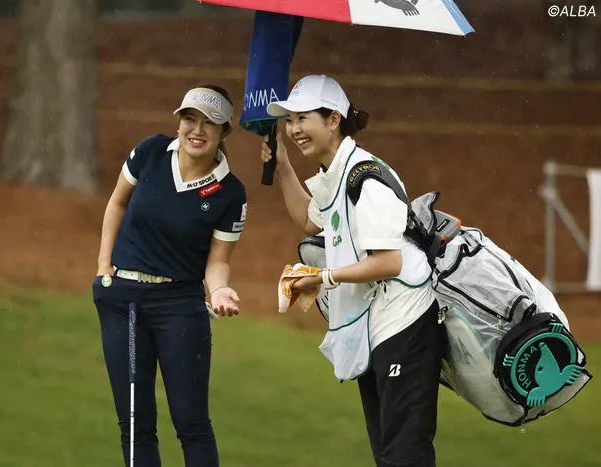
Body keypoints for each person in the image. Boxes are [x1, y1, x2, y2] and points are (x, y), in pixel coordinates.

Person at [261, 74, 447, 467]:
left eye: (303, 118)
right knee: (387, 452)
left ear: (333, 119)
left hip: (405, 321)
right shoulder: (336, 172)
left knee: (404, 453)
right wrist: (282, 167)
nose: (294, 129)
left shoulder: (364, 177)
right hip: (374, 322)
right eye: (289, 120)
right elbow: (309, 221)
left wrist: (323, 278)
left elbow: (389, 262)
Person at [93, 83, 247, 467]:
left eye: (209, 122)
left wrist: (219, 290)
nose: (197, 129)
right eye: (190, 119)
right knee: (135, 424)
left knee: (192, 425)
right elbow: (117, 202)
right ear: (178, 122)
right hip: (122, 301)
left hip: (179, 306)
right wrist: (103, 267)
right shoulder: (150, 152)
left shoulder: (230, 192)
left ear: (224, 132)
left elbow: (218, 260)